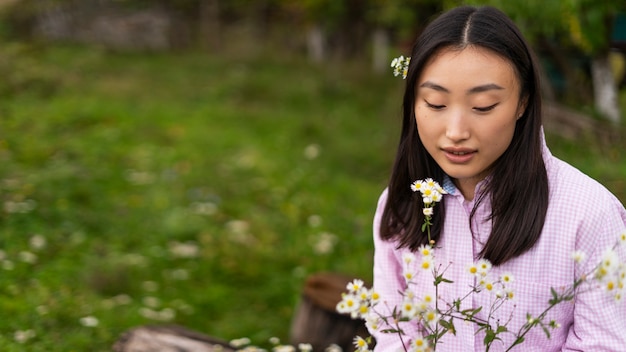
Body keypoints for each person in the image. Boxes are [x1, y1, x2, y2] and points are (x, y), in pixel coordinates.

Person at [370, 5, 626, 351]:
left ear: (523, 102)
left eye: (484, 106)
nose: (456, 132)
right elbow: (394, 334)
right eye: (435, 103)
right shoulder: (400, 204)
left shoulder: (589, 214)